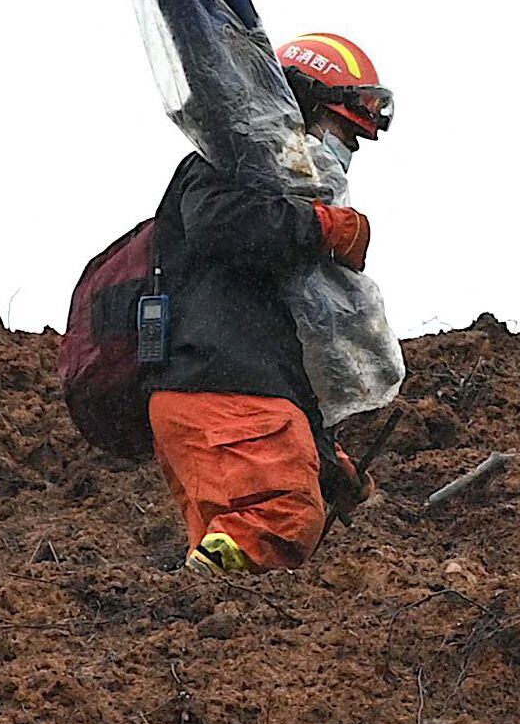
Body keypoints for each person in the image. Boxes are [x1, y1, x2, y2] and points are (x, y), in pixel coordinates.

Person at [150, 32, 388, 576]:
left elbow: (280, 353)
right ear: (298, 108)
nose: (347, 151)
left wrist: (329, 461)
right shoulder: (226, 161)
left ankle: (197, 640)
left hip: (220, 393)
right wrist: (323, 225)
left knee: (241, 566)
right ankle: (188, 603)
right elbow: (221, 224)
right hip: (222, 392)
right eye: (343, 131)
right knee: (278, 518)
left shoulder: (270, 193)